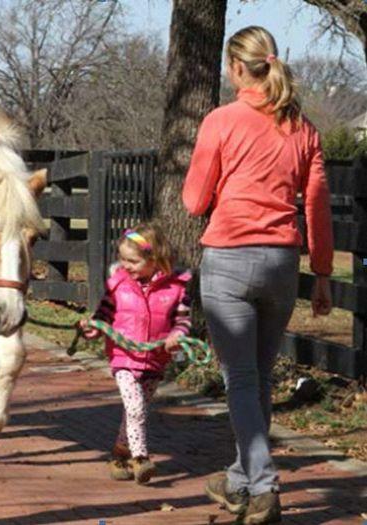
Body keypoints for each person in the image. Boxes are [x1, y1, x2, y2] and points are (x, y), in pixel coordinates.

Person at [182, 26, 333, 524]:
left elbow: (193, 200)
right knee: (259, 380)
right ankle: (239, 479)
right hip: (282, 263)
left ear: (235, 68)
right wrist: (325, 273)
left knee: (242, 381)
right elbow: (316, 207)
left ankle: (264, 486)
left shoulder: (221, 121)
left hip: (229, 257)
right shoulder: (304, 129)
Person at [80, 223, 192, 484]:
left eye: (133, 261)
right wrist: (92, 328)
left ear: (154, 259)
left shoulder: (177, 288)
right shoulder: (118, 284)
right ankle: (140, 458)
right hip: (123, 357)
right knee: (136, 408)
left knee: (134, 412)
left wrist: (178, 335)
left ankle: (120, 453)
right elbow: (103, 315)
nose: (126, 265)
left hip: (155, 359)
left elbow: (183, 320)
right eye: (122, 259)